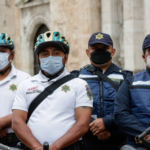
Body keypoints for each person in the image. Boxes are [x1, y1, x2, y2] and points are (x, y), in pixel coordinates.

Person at [12, 31, 93, 150]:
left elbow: (83, 124)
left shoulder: (79, 85)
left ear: (66, 57)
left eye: (56, 53)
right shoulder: (26, 85)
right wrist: (37, 148)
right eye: (45, 54)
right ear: (38, 58)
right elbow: (17, 122)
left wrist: (55, 147)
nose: (50, 57)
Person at [71, 32, 133, 150]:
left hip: (118, 142)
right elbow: (70, 107)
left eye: (105, 48)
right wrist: (95, 128)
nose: (100, 51)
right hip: (86, 142)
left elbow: (131, 107)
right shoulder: (76, 77)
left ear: (113, 51)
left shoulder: (126, 77)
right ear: (87, 52)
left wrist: (106, 123)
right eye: (95, 48)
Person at [114, 34, 150, 149]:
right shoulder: (130, 83)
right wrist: (145, 133)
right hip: (139, 145)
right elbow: (121, 114)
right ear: (144, 57)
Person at [0, 33, 31, 147]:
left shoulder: (24, 79)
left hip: (14, 140)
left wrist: (2, 122)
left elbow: (29, 108)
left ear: (11, 54)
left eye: (2, 51)